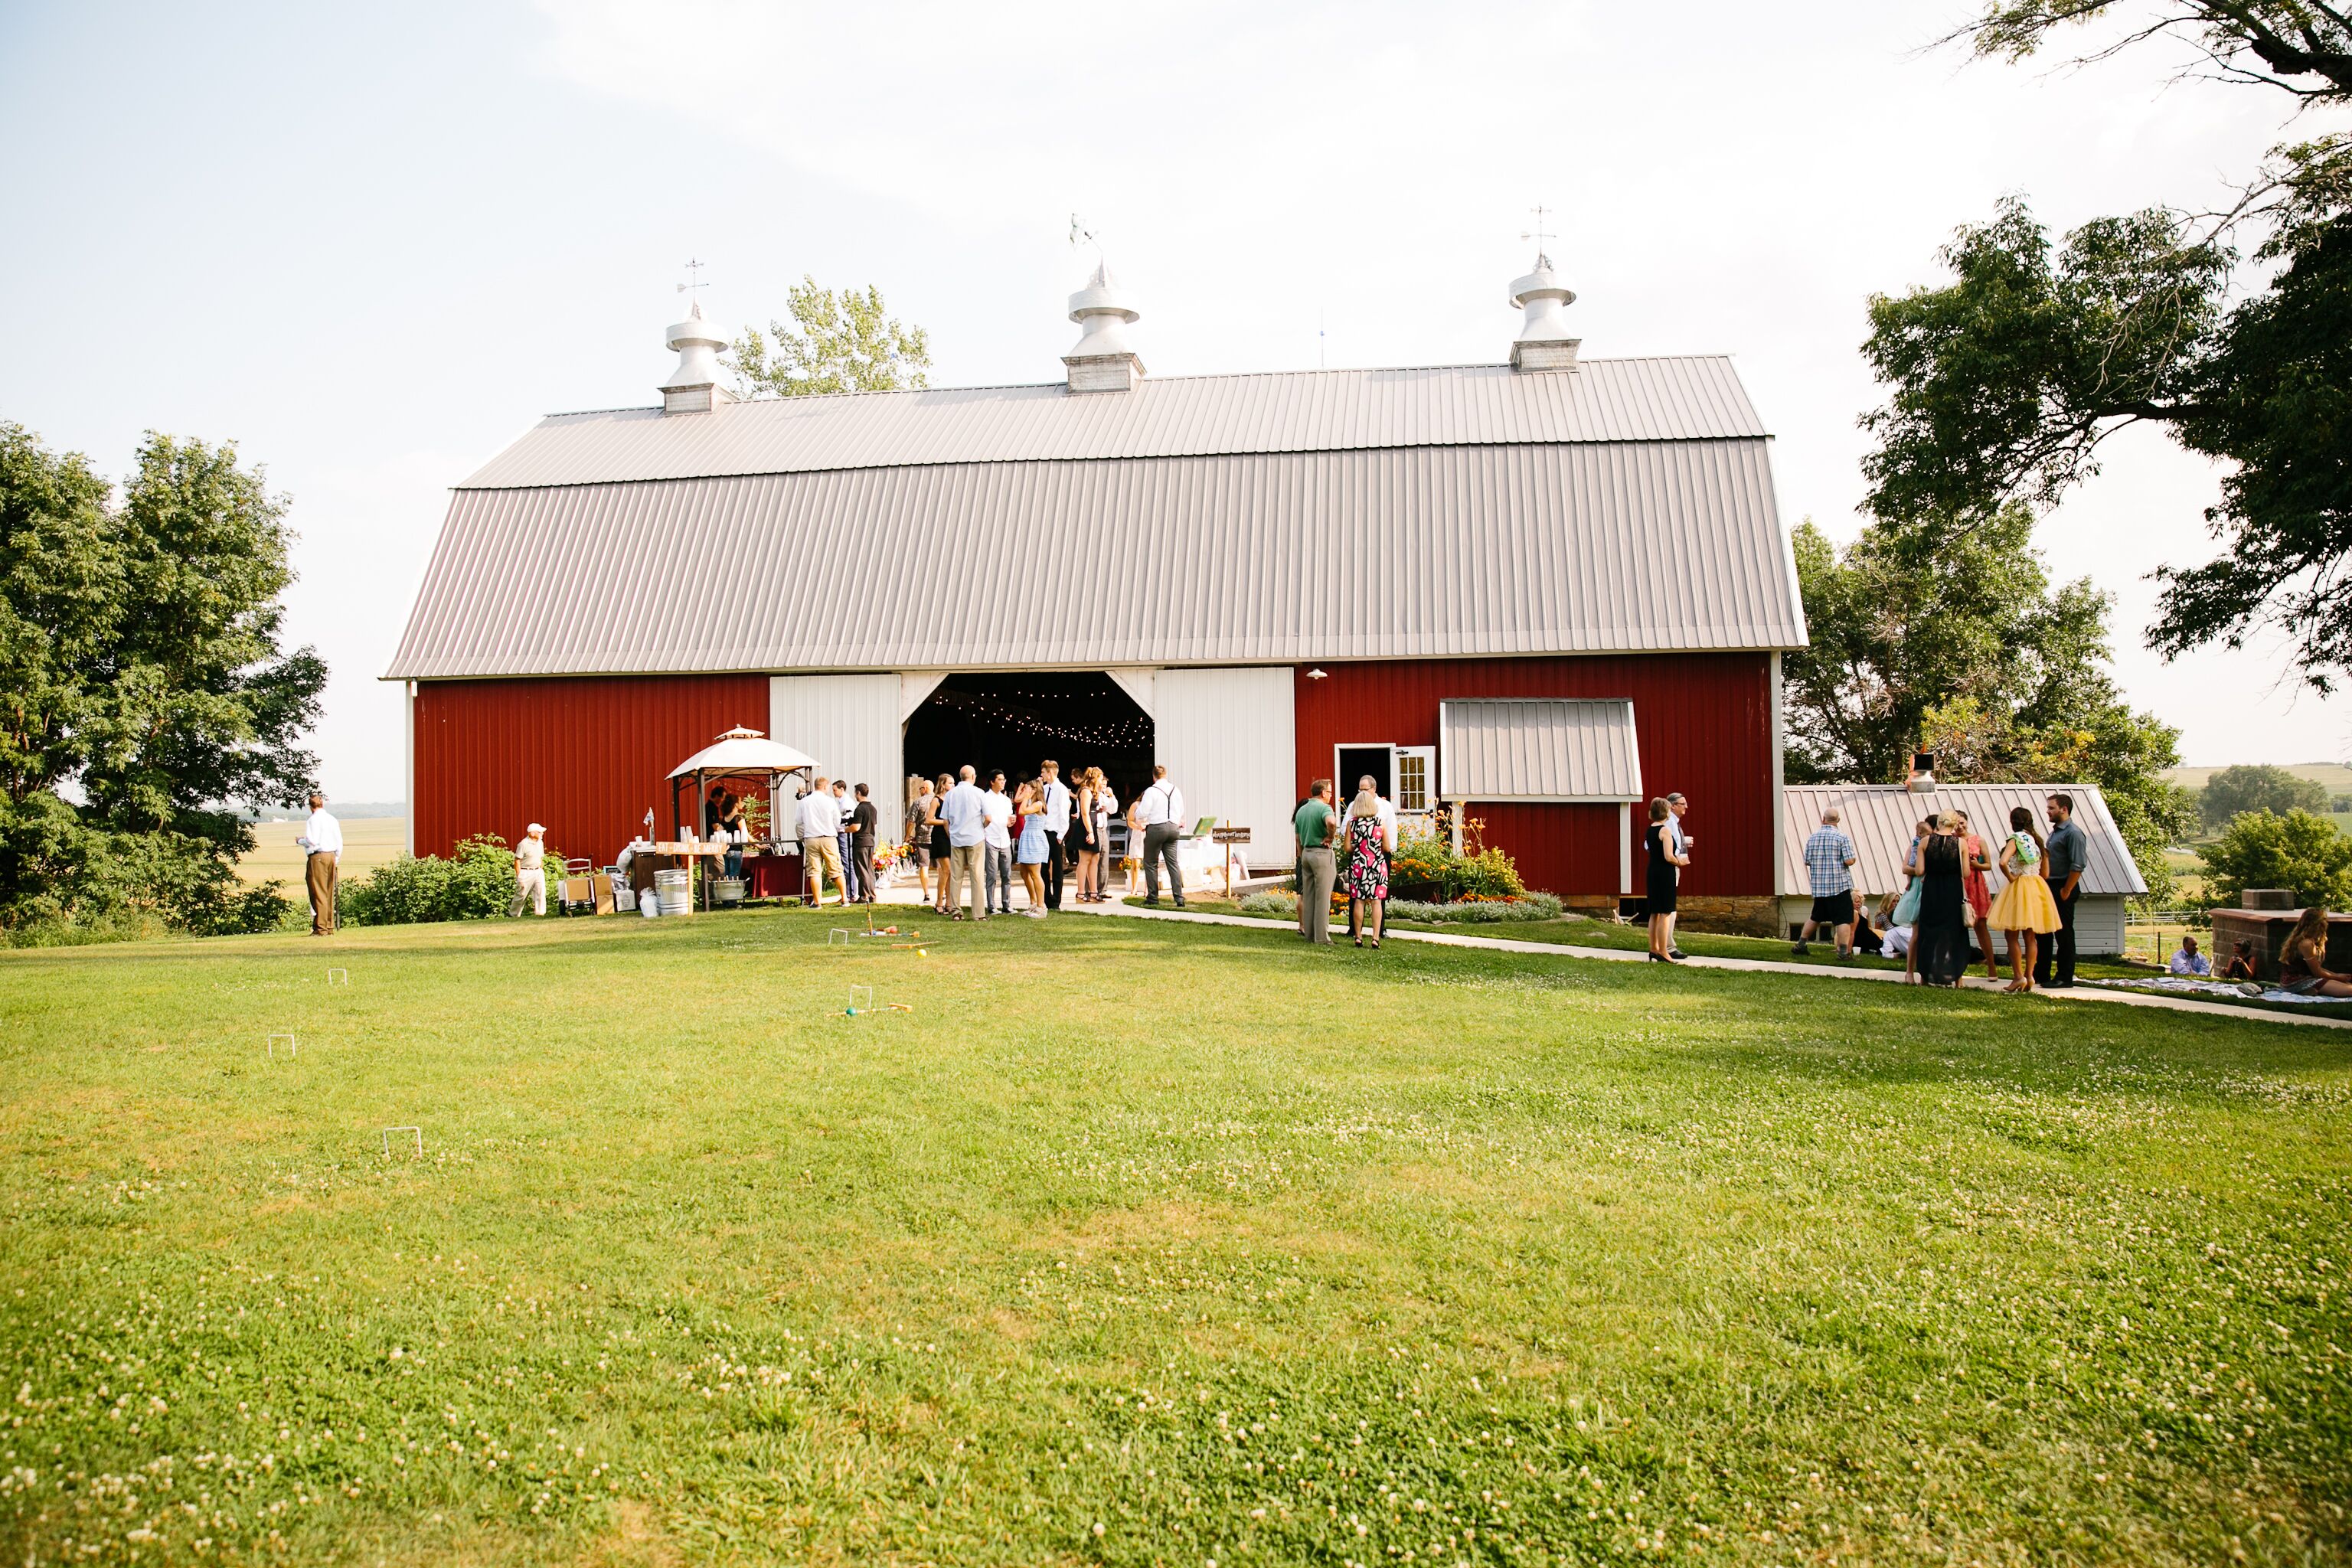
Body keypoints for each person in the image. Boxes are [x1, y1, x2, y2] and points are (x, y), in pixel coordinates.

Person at [1987, 805, 2063, 994]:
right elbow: (2045, 873)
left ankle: (2018, 977)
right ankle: (2030, 976)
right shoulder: (2038, 842)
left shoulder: (2016, 839)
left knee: (2011, 934)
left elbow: (2003, 862)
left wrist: (2012, 877)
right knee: (2031, 936)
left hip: (2019, 887)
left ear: (2013, 822)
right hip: (2036, 888)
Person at [1907, 813, 1968, 986]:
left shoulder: (1925, 842)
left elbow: (1919, 871)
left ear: (1939, 823)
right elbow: (1967, 873)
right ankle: (1958, 979)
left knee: (1928, 930)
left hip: (1932, 888)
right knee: (1954, 931)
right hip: (1952, 889)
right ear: (1955, 824)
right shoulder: (1961, 843)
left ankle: (1925, 977)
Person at [2036, 792, 2087, 989]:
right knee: (2044, 931)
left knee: (2064, 934)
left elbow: (2078, 865)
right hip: (2050, 885)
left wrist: (2066, 890)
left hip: (2064, 886)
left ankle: (2065, 977)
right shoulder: (2056, 832)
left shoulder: (2073, 833)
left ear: (2063, 809)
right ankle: (2041, 973)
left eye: (2051, 808)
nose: (2048, 811)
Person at [1793, 807, 1858, 956]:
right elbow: (1849, 860)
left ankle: (1801, 945)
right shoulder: (1842, 837)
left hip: (1820, 886)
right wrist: (1853, 859)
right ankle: (1843, 952)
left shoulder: (1813, 837)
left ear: (1823, 819)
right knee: (1844, 919)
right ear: (1838, 820)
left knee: (1815, 917)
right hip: (1839, 885)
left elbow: (1807, 861)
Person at [1341, 782, 1391, 948]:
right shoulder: (1380, 823)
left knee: (1359, 900)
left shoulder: (1352, 824)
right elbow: (1387, 847)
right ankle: (1376, 937)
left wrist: (1358, 846)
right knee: (1377, 901)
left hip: (1359, 865)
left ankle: (1358, 936)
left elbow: (1347, 848)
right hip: (1377, 864)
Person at [1951, 809, 1998, 980]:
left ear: (1967, 822)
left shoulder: (1979, 840)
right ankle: (1957, 969)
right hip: (1958, 884)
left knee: (1981, 926)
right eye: (1956, 823)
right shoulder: (1951, 840)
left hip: (1976, 885)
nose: (1960, 826)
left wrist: (1975, 865)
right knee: (1956, 927)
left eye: (1962, 823)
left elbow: (1988, 865)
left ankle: (1992, 967)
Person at [939, 765, 989, 920]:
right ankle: (978, 914)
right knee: (977, 876)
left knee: (956, 876)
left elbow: (945, 820)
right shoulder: (979, 793)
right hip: (975, 838)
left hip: (956, 838)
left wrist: (951, 834)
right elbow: (988, 818)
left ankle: (956, 911)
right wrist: (981, 828)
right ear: (973, 777)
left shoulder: (951, 794)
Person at [1294, 778, 1338, 945]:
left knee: (1309, 895)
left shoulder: (1302, 810)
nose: (1331, 796)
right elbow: (1331, 822)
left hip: (1306, 854)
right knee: (1323, 897)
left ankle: (1309, 934)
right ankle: (1322, 937)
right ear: (1323, 793)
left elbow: (1297, 838)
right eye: (1330, 792)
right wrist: (1330, 837)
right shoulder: (1325, 808)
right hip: (1321, 853)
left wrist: (1302, 855)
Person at [1137, 765, 1187, 908]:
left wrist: (1137, 815)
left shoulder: (1151, 791)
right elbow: (1181, 810)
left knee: (1150, 863)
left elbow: (1143, 812)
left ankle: (1153, 898)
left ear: (1154, 777)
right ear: (1165, 775)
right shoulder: (1175, 789)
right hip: (1173, 827)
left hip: (1157, 828)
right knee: (1173, 863)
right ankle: (1179, 898)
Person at [1643, 797, 1686, 962]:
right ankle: (1663, 951)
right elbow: (1668, 856)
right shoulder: (1665, 830)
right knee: (1666, 912)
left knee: (1654, 913)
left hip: (1652, 872)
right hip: (1664, 873)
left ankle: (1653, 948)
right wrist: (1679, 862)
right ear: (1665, 812)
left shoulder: (1650, 829)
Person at [2277, 905, 2352, 997]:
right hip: (2297, 982)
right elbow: (2317, 973)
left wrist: (2337, 975)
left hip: (2301, 979)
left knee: (2349, 986)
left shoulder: (2306, 940)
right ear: (2319, 924)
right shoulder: (2306, 944)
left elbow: (2316, 968)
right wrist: (2337, 977)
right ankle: (2304, 990)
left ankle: (2309, 991)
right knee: (2350, 990)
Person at [795, 776, 848, 906]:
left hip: (811, 838)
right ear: (825, 786)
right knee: (836, 869)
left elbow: (799, 821)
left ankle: (817, 902)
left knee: (814, 871)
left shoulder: (804, 802)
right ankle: (844, 899)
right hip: (828, 837)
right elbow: (837, 821)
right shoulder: (830, 801)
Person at [296, 791, 341, 936]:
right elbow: (339, 841)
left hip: (318, 857)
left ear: (311, 806)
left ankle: (320, 928)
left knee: (318, 892)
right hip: (331, 856)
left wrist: (300, 841)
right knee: (328, 892)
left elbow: (312, 840)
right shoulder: (332, 819)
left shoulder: (313, 820)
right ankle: (328, 926)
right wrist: (337, 858)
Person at [1014, 776, 1053, 919]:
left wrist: (1027, 797)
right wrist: (1023, 791)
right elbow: (1017, 800)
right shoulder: (1030, 801)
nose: (1026, 791)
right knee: (1024, 873)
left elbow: (1022, 812)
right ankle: (1033, 902)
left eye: (1028, 788)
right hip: (1027, 837)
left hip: (1035, 839)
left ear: (1035, 790)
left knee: (1035, 873)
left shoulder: (1038, 804)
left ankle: (1042, 906)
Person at [1038, 760, 1072, 910]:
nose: (1042, 775)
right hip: (1043, 831)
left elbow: (1064, 812)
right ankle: (1046, 898)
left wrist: (1061, 834)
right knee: (1043, 867)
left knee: (1057, 867)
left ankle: (1056, 900)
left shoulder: (1061, 789)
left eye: (1044, 772)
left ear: (1050, 773)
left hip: (1055, 832)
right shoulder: (1044, 789)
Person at [981, 770, 1015, 916]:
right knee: (991, 874)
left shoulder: (1006, 800)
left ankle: (1006, 904)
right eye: (1000, 780)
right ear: (992, 781)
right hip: (990, 838)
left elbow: (1008, 820)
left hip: (1004, 839)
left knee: (1007, 874)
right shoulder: (985, 798)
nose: (1003, 782)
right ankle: (991, 905)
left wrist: (1010, 822)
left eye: (1004, 780)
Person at [903, 779, 936, 903]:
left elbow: (911, 821)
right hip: (937, 838)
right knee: (941, 866)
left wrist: (907, 835)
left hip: (922, 837)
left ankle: (927, 894)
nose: (920, 791)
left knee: (924, 866)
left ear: (925, 789)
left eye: (920, 789)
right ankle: (942, 892)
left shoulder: (918, 802)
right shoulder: (938, 800)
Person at [925, 773, 955, 913]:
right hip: (940, 836)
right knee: (946, 869)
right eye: (950, 783)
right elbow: (929, 820)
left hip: (951, 835)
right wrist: (944, 821)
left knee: (950, 871)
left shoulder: (953, 800)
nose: (953, 786)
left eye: (954, 783)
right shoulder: (936, 800)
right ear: (943, 785)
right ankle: (939, 902)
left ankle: (949, 902)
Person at [830, 779, 861, 903]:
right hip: (840, 833)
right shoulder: (839, 802)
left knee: (848, 861)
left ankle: (852, 893)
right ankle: (848, 893)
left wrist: (837, 823)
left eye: (835, 790)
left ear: (842, 789)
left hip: (845, 834)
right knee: (844, 863)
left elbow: (846, 819)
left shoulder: (847, 803)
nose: (833, 793)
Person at [510, 822, 548, 917]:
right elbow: (517, 860)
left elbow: (540, 858)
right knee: (521, 895)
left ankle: (540, 914)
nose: (542, 834)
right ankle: (514, 915)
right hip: (526, 871)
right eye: (539, 832)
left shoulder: (540, 842)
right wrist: (519, 876)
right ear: (532, 833)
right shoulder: (523, 844)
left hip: (538, 871)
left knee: (541, 892)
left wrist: (540, 869)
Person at [848, 784, 878, 903]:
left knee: (861, 869)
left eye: (855, 792)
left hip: (861, 842)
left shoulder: (860, 809)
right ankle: (872, 895)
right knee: (869, 869)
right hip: (870, 840)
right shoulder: (873, 808)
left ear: (859, 793)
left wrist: (844, 829)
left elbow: (856, 827)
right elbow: (873, 825)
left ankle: (864, 895)